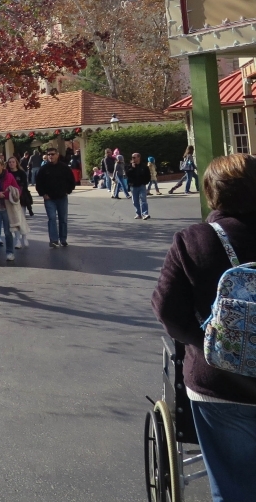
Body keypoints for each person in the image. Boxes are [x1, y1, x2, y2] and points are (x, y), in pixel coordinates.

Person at [152, 154, 256, 502]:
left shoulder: (194, 239)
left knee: (233, 487)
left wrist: (211, 344)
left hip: (220, 382)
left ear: (213, 193)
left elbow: (168, 311)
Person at [35, 147, 75, 248]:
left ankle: (63, 239)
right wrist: (43, 193)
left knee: (63, 219)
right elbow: (39, 183)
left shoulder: (64, 167)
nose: (50, 156)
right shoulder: (43, 169)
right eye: (49, 155)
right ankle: (53, 240)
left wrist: (68, 191)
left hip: (62, 197)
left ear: (57, 155)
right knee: (52, 218)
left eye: (52, 154)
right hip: (49, 199)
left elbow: (71, 181)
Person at [124, 152, 152, 220]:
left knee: (143, 200)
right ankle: (138, 214)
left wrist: (145, 182)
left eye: (134, 157)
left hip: (142, 185)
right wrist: (132, 168)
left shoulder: (144, 166)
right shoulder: (129, 166)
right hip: (133, 186)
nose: (133, 159)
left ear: (139, 158)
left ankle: (145, 214)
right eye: (132, 157)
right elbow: (127, 174)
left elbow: (148, 175)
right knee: (135, 201)